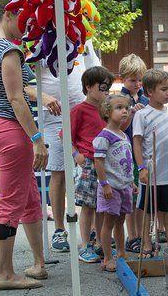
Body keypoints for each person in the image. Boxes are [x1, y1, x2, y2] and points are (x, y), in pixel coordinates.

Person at [0, 0, 48, 290]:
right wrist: (37, 138)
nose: (27, 27)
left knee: (29, 196)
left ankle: (38, 264)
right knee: (11, 201)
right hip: (10, 132)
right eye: (25, 20)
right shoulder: (8, 50)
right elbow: (16, 98)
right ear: (8, 15)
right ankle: (5, 274)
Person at [41, 40, 101, 253]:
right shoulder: (43, 39)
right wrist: (44, 96)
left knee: (92, 171)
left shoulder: (82, 37)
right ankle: (59, 229)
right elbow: (25, 83)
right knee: (59, 172)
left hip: (84, 112)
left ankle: (93, 229)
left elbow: (94, 69)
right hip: (54, 116)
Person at [133, 69, 168, 257]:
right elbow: (137, 142)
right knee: (149, 211)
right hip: (151, 172)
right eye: (163, 89)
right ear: (149, 91)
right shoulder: (142, 115)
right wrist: (141, 167)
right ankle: (147, 244)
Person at [70, 66, 115, 263]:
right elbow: (65, 135)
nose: (106, 91)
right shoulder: (79, 110)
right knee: (88, 206)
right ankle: (85, 245)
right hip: (89, 162)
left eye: (108, 87)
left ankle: (98, 242)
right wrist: (76, 154)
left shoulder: (106, 111)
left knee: (101, 206)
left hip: (105, 163)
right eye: (102, 86)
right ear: (88, 87)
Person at [93, 94, 138, 272]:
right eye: (119, 108)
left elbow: (126, 162)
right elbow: (99, 161)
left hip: (124, 185)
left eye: (126, 108)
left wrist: (131, 182)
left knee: (120, 221)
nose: (124, 111)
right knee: (109, 222)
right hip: (111, 187)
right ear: (107, 112)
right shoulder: (105, 136)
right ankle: (107, 257)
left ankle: (121, 253)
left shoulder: (123, 135)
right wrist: (104, 184)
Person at [117, 54, 149, 253]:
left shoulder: (146, 97)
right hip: (126, 152)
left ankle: (143, 234)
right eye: (132, 80)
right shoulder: (120, 100)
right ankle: (133, 236)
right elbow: (118, 126)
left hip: (143, 152)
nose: (137, 83)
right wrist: (131, 112)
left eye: (140, 79)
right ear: (122, 79)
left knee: (141, 197)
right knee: (130, 195)